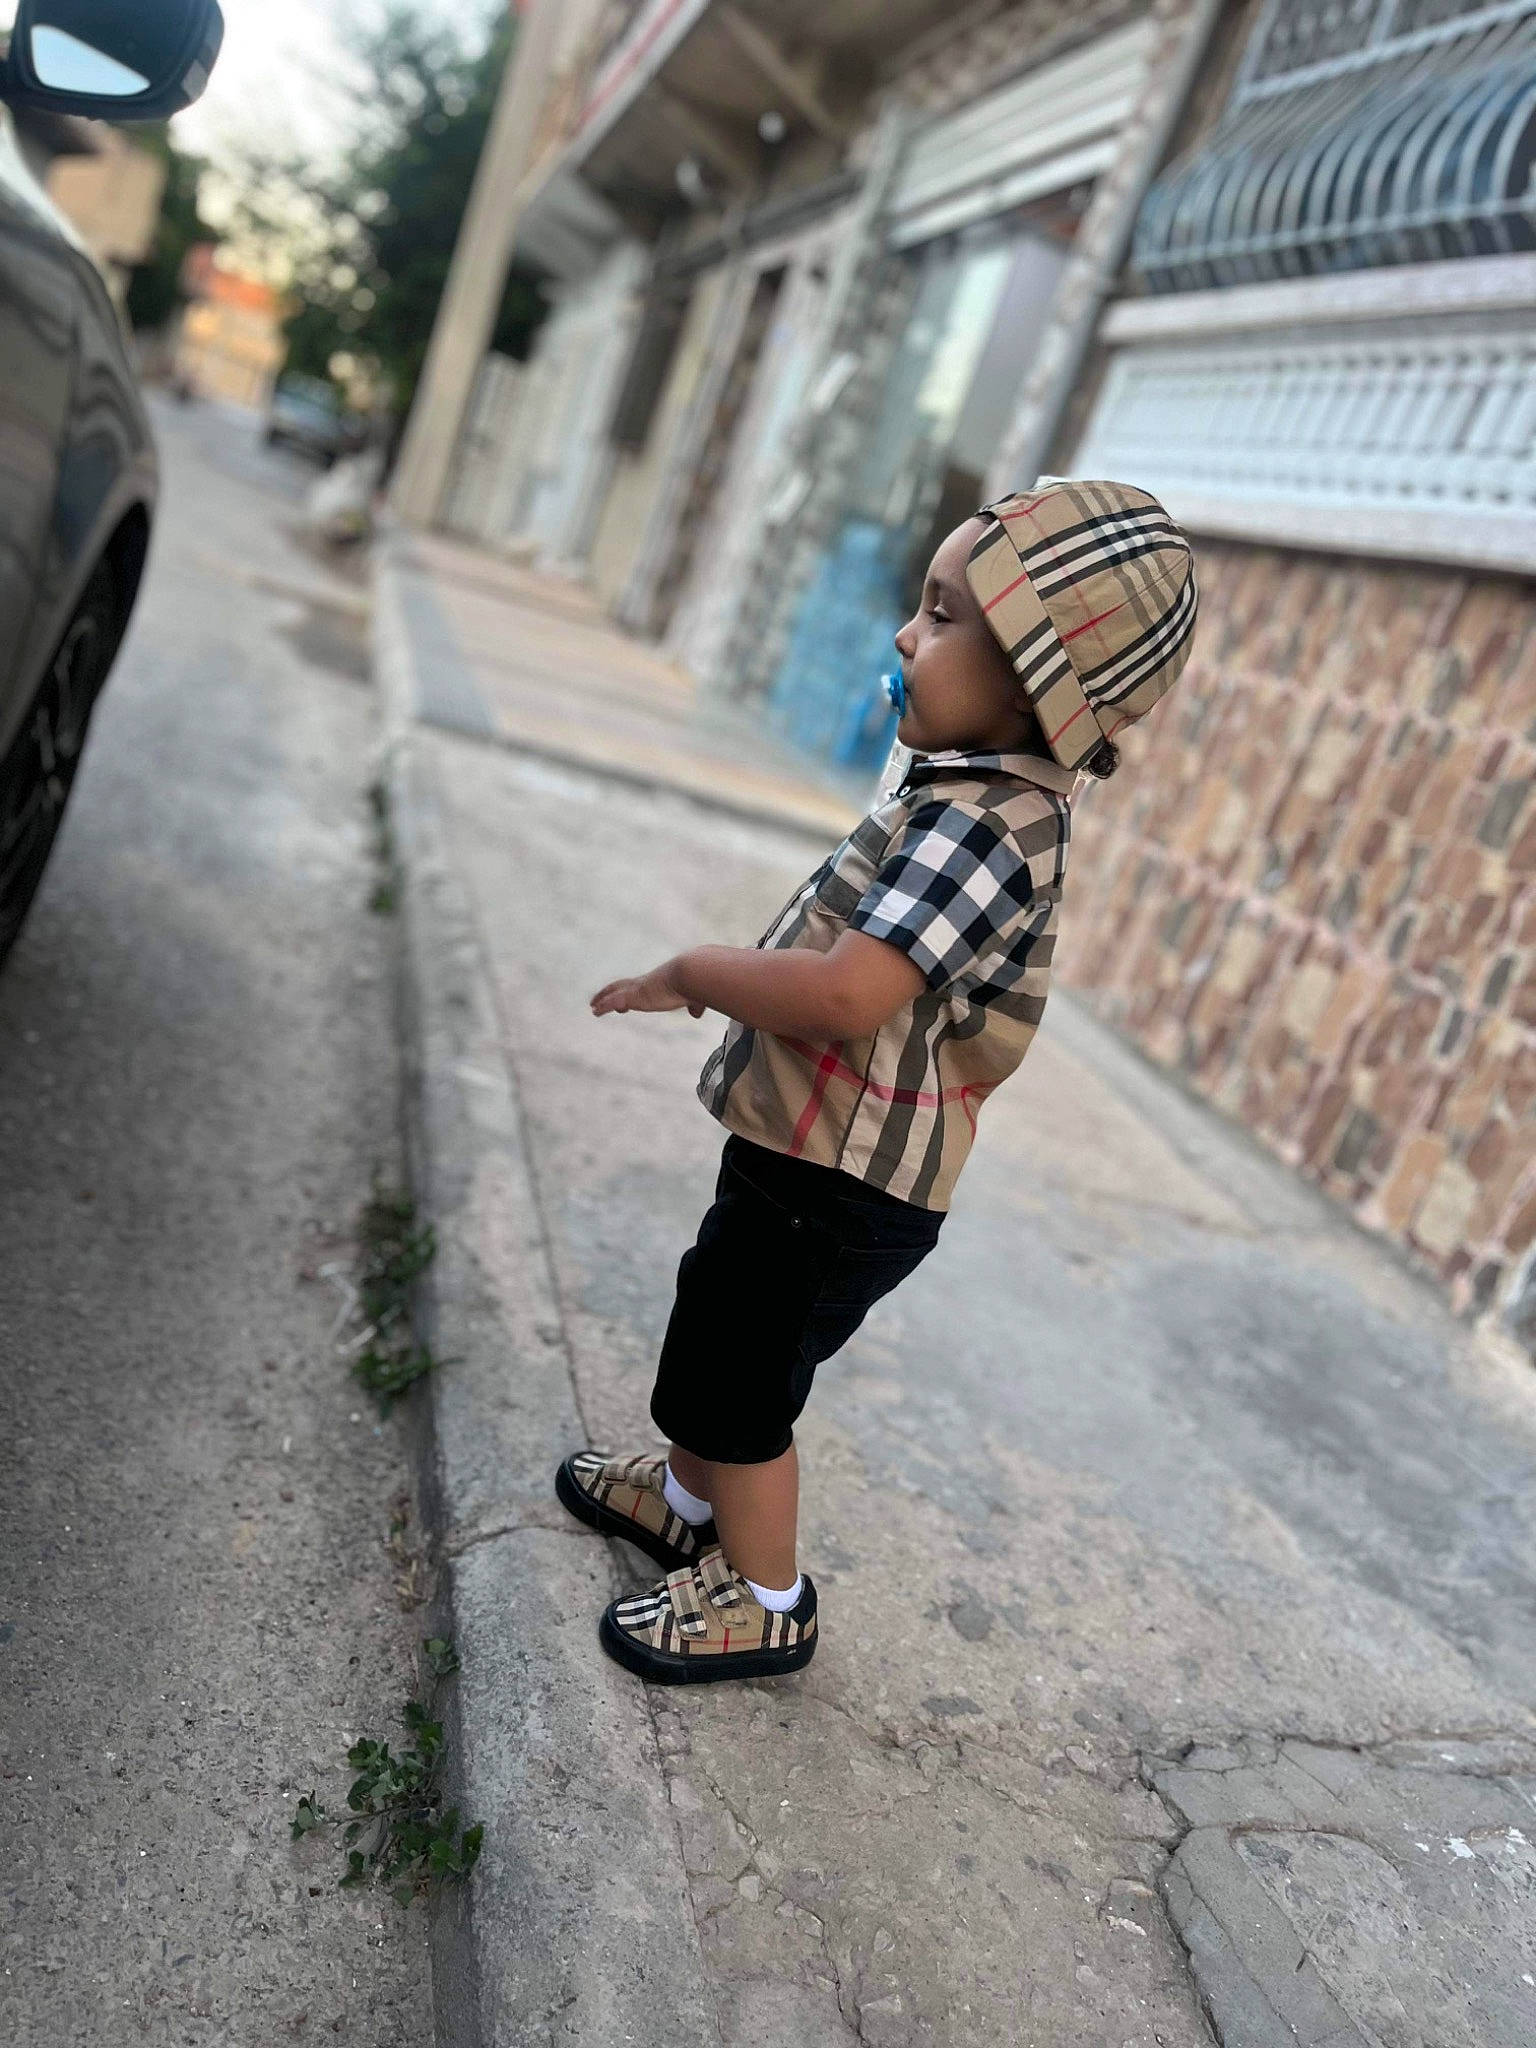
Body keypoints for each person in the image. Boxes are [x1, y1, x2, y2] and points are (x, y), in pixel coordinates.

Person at [555, 479, 1199, 1684]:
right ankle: (690, 1506)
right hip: (812, 1155)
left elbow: (852, 994)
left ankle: (763, 1595)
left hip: (840, 1180)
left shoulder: (986, 828)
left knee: (743, 1371)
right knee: (721, 1327)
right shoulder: (972, 796)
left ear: (1038, 684)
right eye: (922, 604)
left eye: (944, 618)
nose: (907, 636)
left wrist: (698, 968)